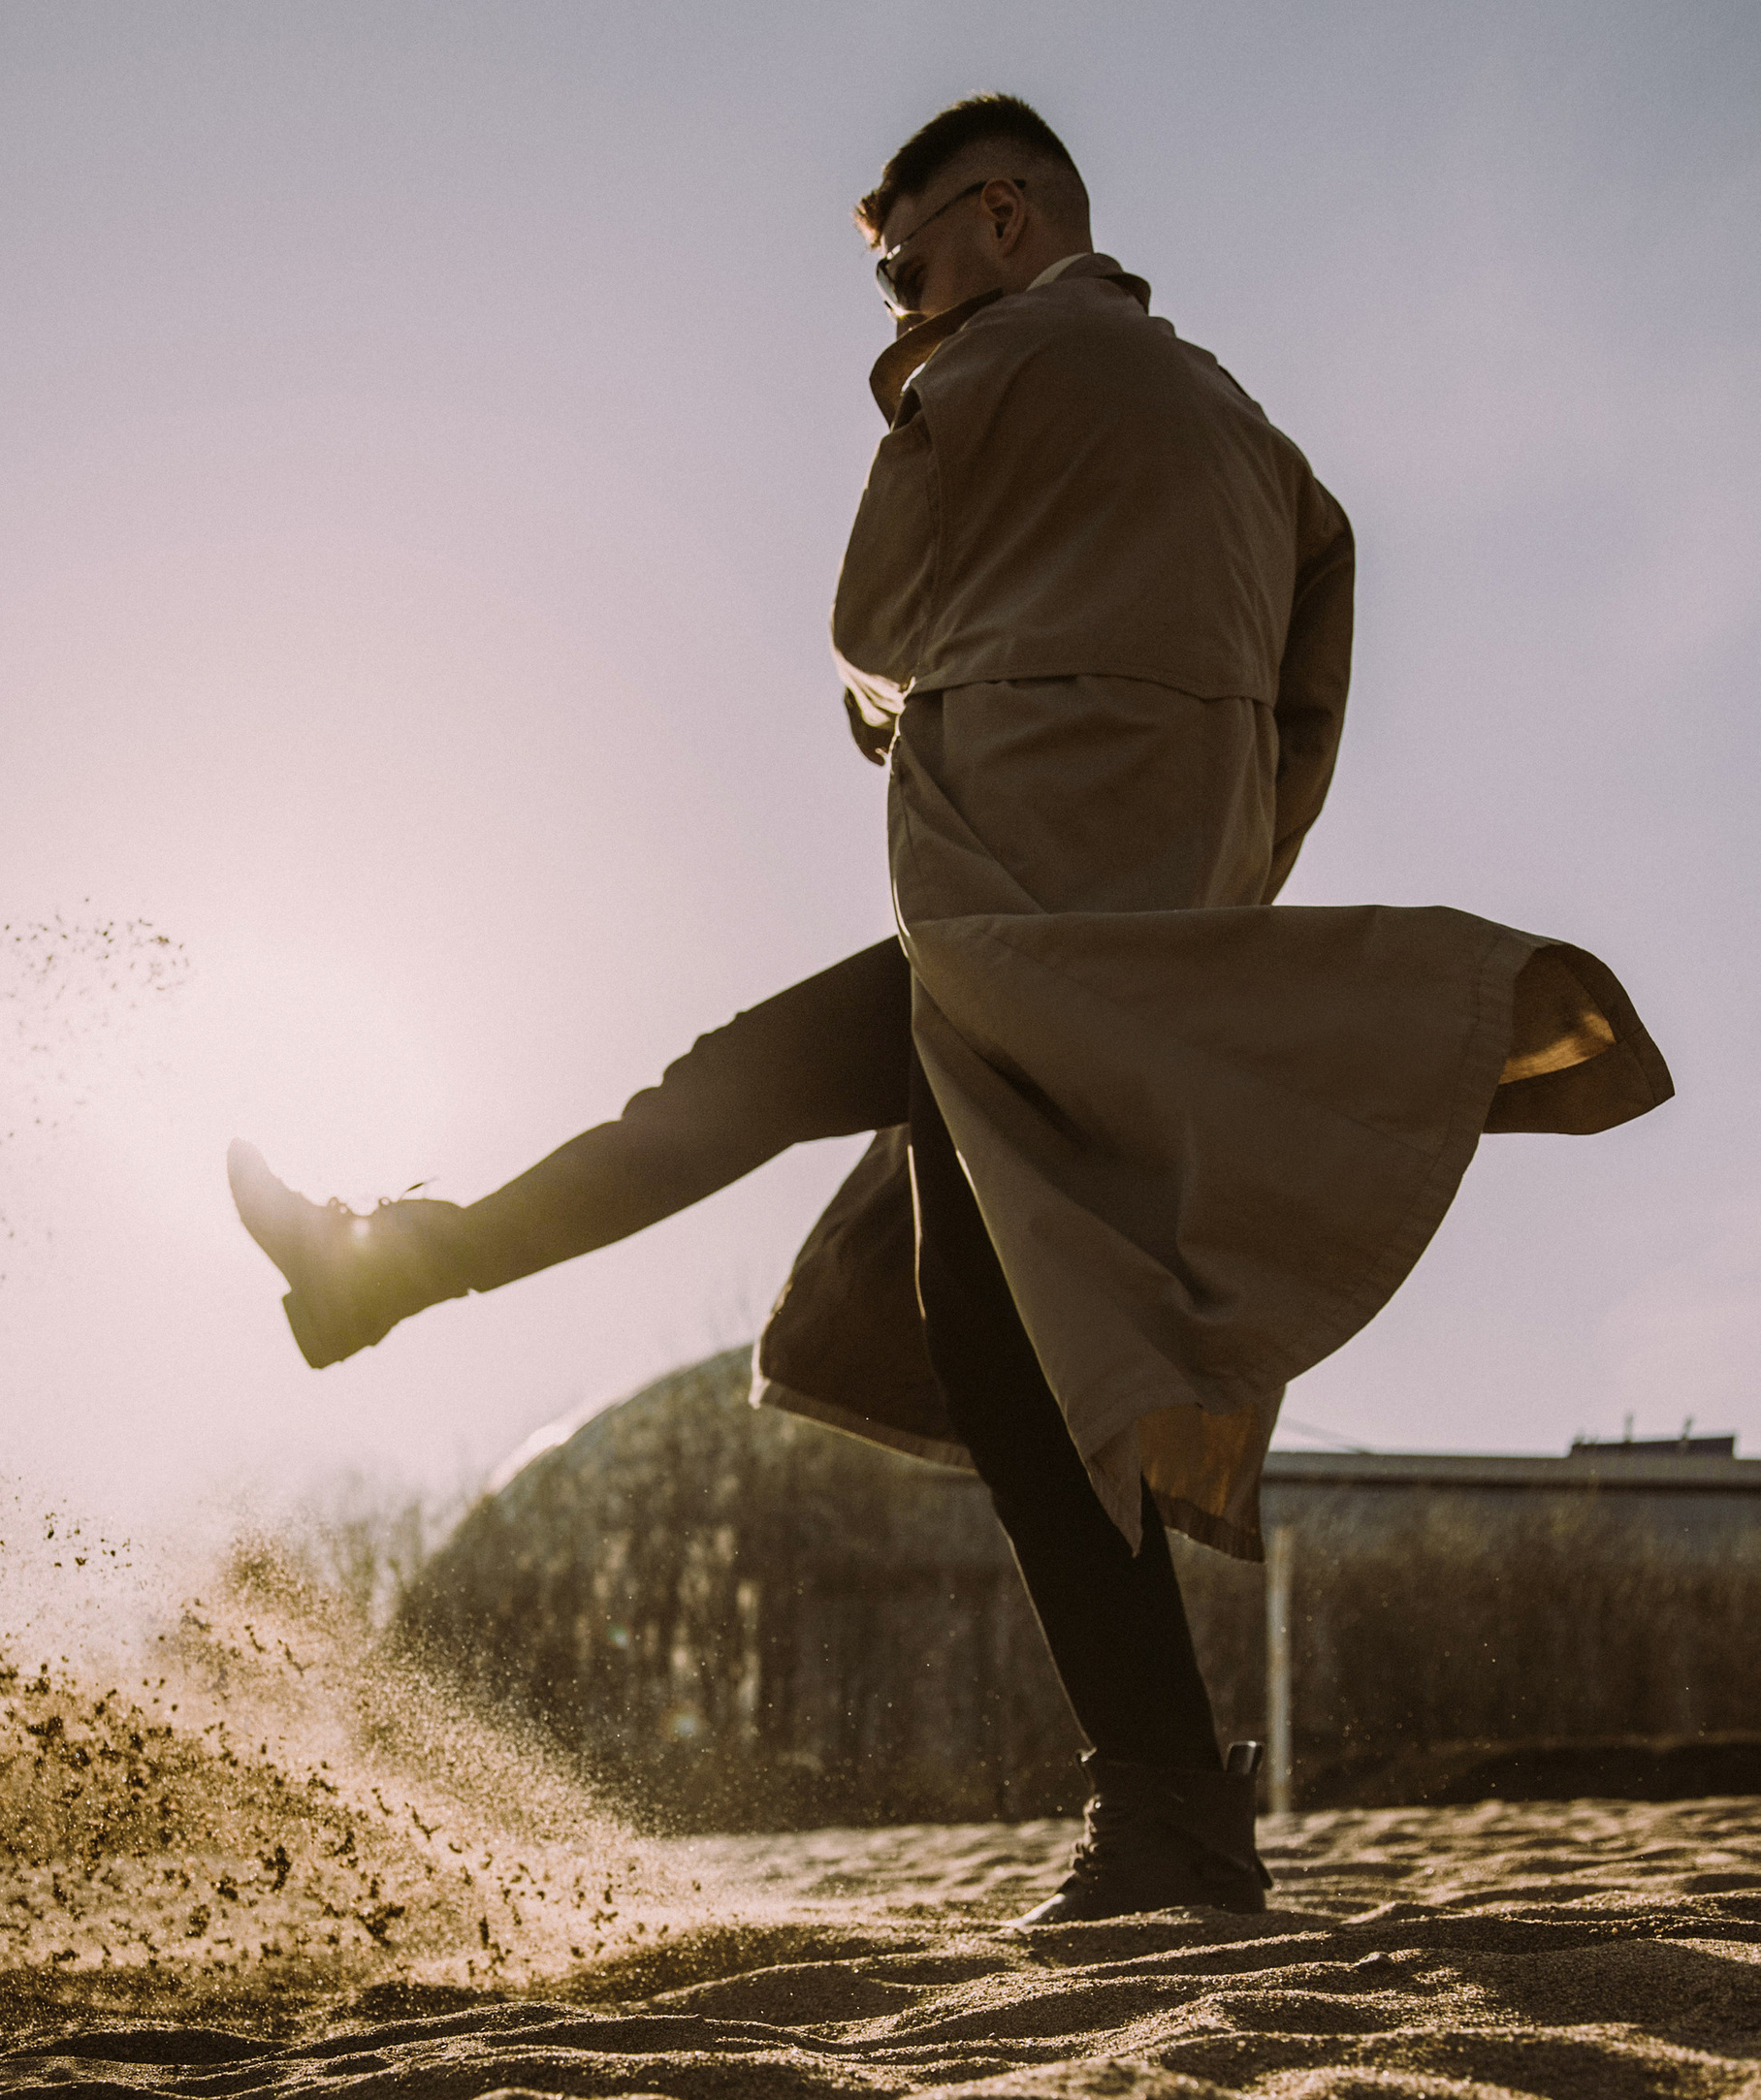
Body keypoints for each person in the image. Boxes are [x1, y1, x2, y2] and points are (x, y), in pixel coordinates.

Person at [228, 94, 1672, 1923]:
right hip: (1133, 958)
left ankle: (391, 1266)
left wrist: (916, 700)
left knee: (730, 1097)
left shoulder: (985, 368)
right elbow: (1301, 744)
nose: (894, 308)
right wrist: (1189, 924)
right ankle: (1168, 1808)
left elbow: (871, 620)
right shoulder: (1277, 465)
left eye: (903, 264)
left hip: (1009, 945)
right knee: (992, 1349)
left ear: (999, 219)